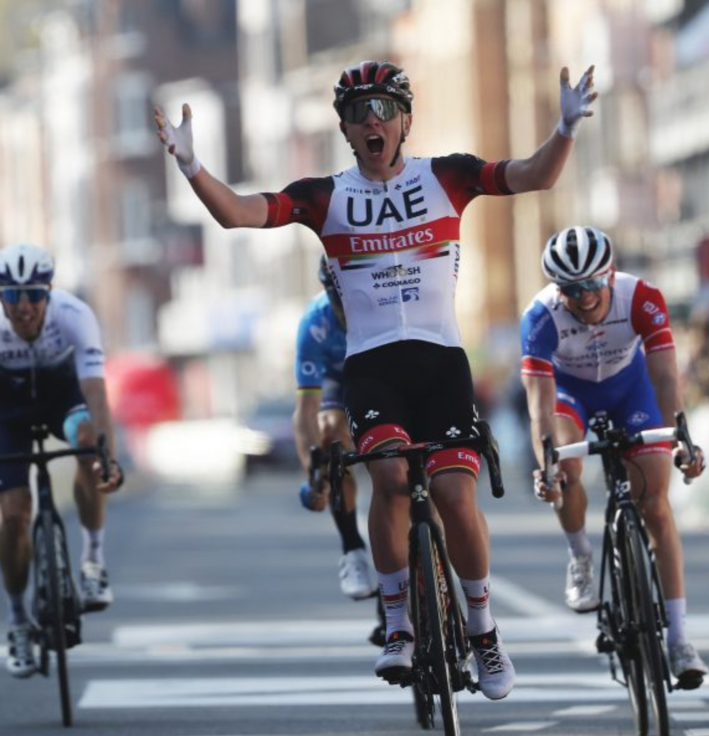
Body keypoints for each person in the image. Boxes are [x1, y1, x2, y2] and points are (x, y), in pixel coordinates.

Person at [155, 59, 597, 700]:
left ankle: (483, 630)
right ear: (343, 127)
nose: (372, 121)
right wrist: (193, 168)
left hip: (440, 361)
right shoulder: (325, 195)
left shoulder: (448, 176)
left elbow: (532, 176)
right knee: (389, 476)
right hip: (372, 368)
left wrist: (564, 128)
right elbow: (241, 214)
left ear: (406, 121)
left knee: (452, 495)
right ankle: (397, 624)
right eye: (358, 112)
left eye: (384, 109)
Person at [520, 225, 709, 688]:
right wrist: (546, 467)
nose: (583, 297)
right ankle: (580, 556)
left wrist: (680, 437)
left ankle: (680, 639)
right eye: (570, 288)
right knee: (566, 464)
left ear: (610, 274)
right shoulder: (540, 317)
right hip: (571, 396)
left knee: (656, 506)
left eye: (591, 284)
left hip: (632, 391)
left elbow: (666, 379)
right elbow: (540, 409)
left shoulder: (641, 296)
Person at [0, 243, 124, 678]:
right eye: (12, 296)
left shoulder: (74, 315)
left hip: (61, 399)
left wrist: (105, 454)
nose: (24, 306)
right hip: (6, 408)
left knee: (90, 446)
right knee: (14, 516)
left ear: (49, 292)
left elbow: (94, 391)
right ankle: (16, 621)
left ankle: (93, 562)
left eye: (33, 294)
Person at [294, 255, 376, 600]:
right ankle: (353, 549)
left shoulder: (382, 306)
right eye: (336, 297)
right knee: (330, 433)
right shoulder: (315, 323)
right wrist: (314, 473)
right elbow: (306, 409)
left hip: (382, 373)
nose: (344, 307)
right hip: (338, 382)